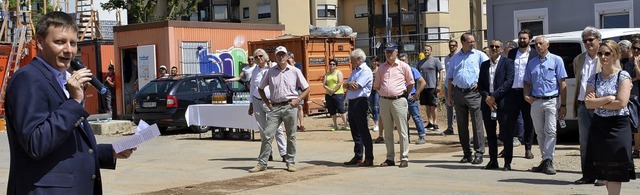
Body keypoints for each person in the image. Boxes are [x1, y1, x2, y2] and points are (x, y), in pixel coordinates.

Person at [4, 11, 135, 194]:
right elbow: (37, 143)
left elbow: (63, 145)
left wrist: (110, 152)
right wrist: (74, 102)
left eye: (73, 43)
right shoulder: (28, 79)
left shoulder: (61, 80)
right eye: (59, 42)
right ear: (40, 42)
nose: (68, 50)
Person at [584, 40, 636, 194]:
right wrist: (607, 99)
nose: (603, 57)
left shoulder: (622, 75)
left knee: (615, 170)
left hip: (618, 126)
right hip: (599, 126)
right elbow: (588, 103)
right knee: (605, 171)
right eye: (600, 53)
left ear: (615, 55)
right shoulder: (593, 78)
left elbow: (621, 103)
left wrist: (597, 102)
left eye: (607, 53)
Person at [251, 46, 310, 173]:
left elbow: (307, 88)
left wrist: (298, 100)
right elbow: (260, 88)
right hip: (275, 107)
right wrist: (268, 103)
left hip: (290, 106)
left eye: (283, 54)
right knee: (267, 134)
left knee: (291, 135)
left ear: (287, 57)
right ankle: (262, 163)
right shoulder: (270, 72)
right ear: (275, 57)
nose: (281, 57)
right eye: (279, 55)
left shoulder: (295, 71)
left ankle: (290, 162)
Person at [524, 35, 568, 175]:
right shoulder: (531, 63)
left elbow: (562, 83)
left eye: (540, 43)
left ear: (547, 45)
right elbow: (527, 82)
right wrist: (526, 95)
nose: (538, 46)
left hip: (551, 100)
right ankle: (545, 160)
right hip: (536, 101)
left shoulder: (557, 60)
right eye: (536, 44)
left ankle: (549, 160)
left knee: (551, 130)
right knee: (540, 132)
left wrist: (563, 105)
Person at [446, 32, 489, 164]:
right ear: (463, 42)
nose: (473, 44)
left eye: (473, 41)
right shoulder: (455, 58)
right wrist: (449, 96)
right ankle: (466, 153)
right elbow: (450, 77)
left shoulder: (479, 55)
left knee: (477, 124)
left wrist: (481, 84)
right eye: (470, 42)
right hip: (458, 93)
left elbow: (488, 71)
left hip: (474, 93)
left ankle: (479, 152)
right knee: (461, 125)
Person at [572, 26, 604, 185]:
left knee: (602, 140)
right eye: (585, 40)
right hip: (583, 105)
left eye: (591, 39)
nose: (588, 43)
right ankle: (588, 175)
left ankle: (603, 175)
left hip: (601, 105)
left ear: (599, 40)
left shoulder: (606, 57)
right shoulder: (579, 59)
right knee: (585, 142)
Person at [374, 42, 414, 168]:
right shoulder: (381, 68)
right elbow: (377, 86)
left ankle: (404, 157)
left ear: (396, 52)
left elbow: (411, 83)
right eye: (387, 52)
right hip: (384, 101)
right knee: (388, 131)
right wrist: (384, 94)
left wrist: (404, 95)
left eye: (391, 51)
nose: (389, 54)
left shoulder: (404, 66)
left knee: (402, 130)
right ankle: (390, 158)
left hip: (399, 100)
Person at [478, 39, 516, 171]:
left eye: (497, 47)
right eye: (492, 46)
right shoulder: (484, 65)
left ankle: (507, 162)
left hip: (504, 103)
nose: (494, 48)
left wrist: (494, 97)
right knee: (490, 133)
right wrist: (487, 97)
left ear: (501, 49)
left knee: (506, 133)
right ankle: (493, 160)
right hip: (488, 103)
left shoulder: (508, 63)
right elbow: (481, 84)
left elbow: (509, 82)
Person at [248, 48, 288, 163]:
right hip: (257, 101)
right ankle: (268, 153)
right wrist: (250, 103)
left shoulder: (273, 66)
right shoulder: (254, 70)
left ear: (265, 57)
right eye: (256, 57)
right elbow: (252, 87)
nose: (258, 59)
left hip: (270, 101)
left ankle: (284, 152)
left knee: (277, 128)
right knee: (262, 129)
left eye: (260, 56)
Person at [507, 29, 538, 159]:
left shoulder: (535, 54)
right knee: (509, 121)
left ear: (530, 40)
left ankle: (528, 148)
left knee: (528, 122)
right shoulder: (512, 53)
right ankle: (507, 149)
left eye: (525, 38)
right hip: (512, 92)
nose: (522, 40)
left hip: (527, 93)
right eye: (520, 38)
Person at [343, 48, 375, 167]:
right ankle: (358, 155)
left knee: (363, 130)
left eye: (352, 60)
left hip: (360, 102)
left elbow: (356, 86)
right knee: (354, 130)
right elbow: (345, 84)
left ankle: (369, 157)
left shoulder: (366, 71)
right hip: (352, 102)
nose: (351, 62)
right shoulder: (355, 71)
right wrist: (348, 84)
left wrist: (349, 85)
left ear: (359, 59)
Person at [399, 53, 427, 144]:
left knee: (416, 117)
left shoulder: (412, 70)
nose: (402, 62)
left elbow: (423, 82)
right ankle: (405, 137)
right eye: (400, 60)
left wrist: (417, 93)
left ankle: (422, 136)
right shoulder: (397, 71)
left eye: (404, 60)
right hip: (401, 98)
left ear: (408, 60)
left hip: (411, 98)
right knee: (403, 118)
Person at [417, 45, 443, 131]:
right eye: (425, 50)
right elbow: (417, 74)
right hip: (423, 87)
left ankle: (435, 123)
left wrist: (439, 84)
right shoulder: (420, 62)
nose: (426, 51)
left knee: (433, 105)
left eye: (428, 50)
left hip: (432, 86)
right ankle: (430, 122)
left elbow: (441, 72)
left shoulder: (435, 60)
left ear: (431, 51)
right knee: (427, 106)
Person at [624, 40, 640, 158]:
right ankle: (636, 149)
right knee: (635, 123)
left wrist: (636, 64)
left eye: (638, 49)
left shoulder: (635, 63)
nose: (636, 51)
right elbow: (626, 79)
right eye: (634, 48)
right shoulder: (626, 63)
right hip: (632, 96)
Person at [323, 59, 348, 131]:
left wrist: (333, 90)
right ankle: (335, 125)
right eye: (330, 64)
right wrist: (329, 90)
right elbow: (324, 84)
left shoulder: (339, 73)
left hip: (338, 94)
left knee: (341, 109)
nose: (332, 65)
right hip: (329, 94)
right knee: (332, 110)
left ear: (336, 66)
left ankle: (345, 124)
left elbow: (340, 82)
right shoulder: (327, 74)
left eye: (333, 64)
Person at [442, 40, 458, 135]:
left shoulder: (459, 57)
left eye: (453, 45)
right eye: (450, 45)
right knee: (449, 106)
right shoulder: (446, 58)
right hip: (448, 85)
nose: (451, 47)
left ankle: (461, 127)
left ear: (456, 46)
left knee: (459, 107)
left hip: (457, 85)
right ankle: (450, 127)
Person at [288, 52, 307, 132]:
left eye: (288, 58)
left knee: (299, 107)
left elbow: (298, 72)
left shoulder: (298, 65)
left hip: (298, 89)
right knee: (292, 107)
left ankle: (301, 124)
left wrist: (291, 64)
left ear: (292, 58)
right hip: (291, 89)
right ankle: (294, 125)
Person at [369, 56, 382, 133]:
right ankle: (376, 122)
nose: (374, 62)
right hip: (370, 90)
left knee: (376, 107)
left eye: (376, 61)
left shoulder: (379, 70)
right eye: (373, 61)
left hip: (377, 90)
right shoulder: (370, 70)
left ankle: (377, 123)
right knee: (372, 107)